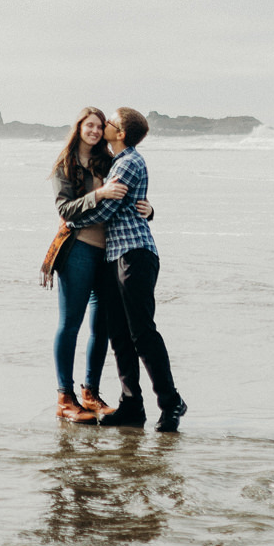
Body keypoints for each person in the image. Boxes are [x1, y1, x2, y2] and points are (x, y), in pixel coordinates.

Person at [75, 108, 186, 432]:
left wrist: (69, 219)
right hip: (116, 257)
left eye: (110, 122)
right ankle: (131, 406)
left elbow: (106, 208)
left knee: (141, 333)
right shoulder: (118, 161)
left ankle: (170, 401)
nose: (105, 125)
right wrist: (148, 208)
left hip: (134, 255)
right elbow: (130, 203)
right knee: (121, 336)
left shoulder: (127, 162)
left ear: (120, 133)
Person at [42, 108, 153, 423]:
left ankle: (90, 393)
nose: (94, 130)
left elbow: (127, 199)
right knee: (70, 324)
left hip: (111, 254)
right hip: (78, 249)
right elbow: (65, 209)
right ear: (78, 128)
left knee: (101, 327)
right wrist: (99, 193)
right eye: (88, 125)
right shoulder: (65, 166)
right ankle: (65, 397)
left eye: (99, 125)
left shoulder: (110, 161)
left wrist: (149, 209)